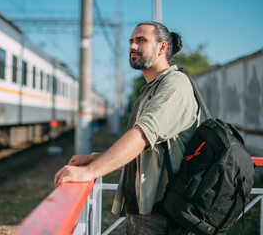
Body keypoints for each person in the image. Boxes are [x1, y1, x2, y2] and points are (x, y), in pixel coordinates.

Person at [54, 21, 198, 235]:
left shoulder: (175, 85)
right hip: (144, 210)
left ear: (161, 48)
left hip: (162, 212)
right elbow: (149, 155)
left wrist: (89, 172)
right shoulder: (151, 89)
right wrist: (98, 157)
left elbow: (140, 136)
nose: (132, 46)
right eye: (131, 41)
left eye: (141, 41)